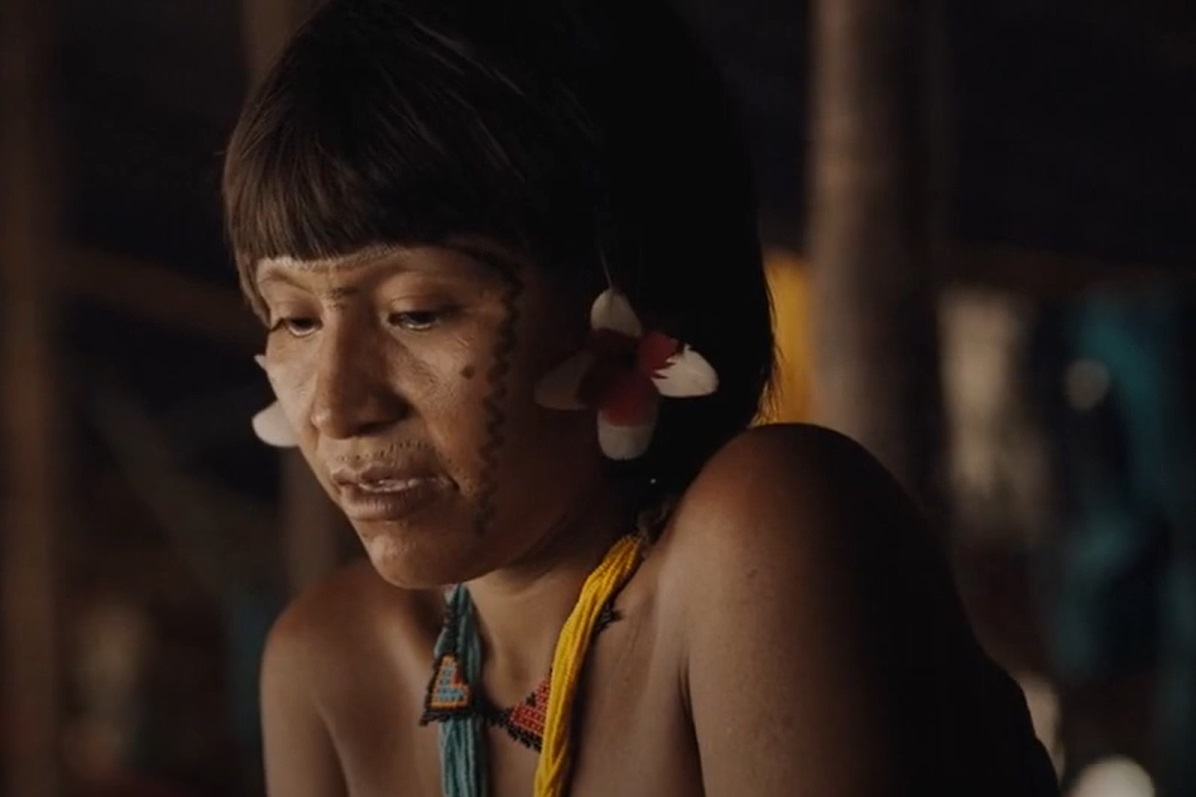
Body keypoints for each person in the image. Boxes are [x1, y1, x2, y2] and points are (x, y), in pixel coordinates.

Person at [222, 0, 1060, 794]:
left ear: (630, 308)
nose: (335, 406)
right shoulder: (330, 666)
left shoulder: (760, 536)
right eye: (294, 321)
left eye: (416, 312)